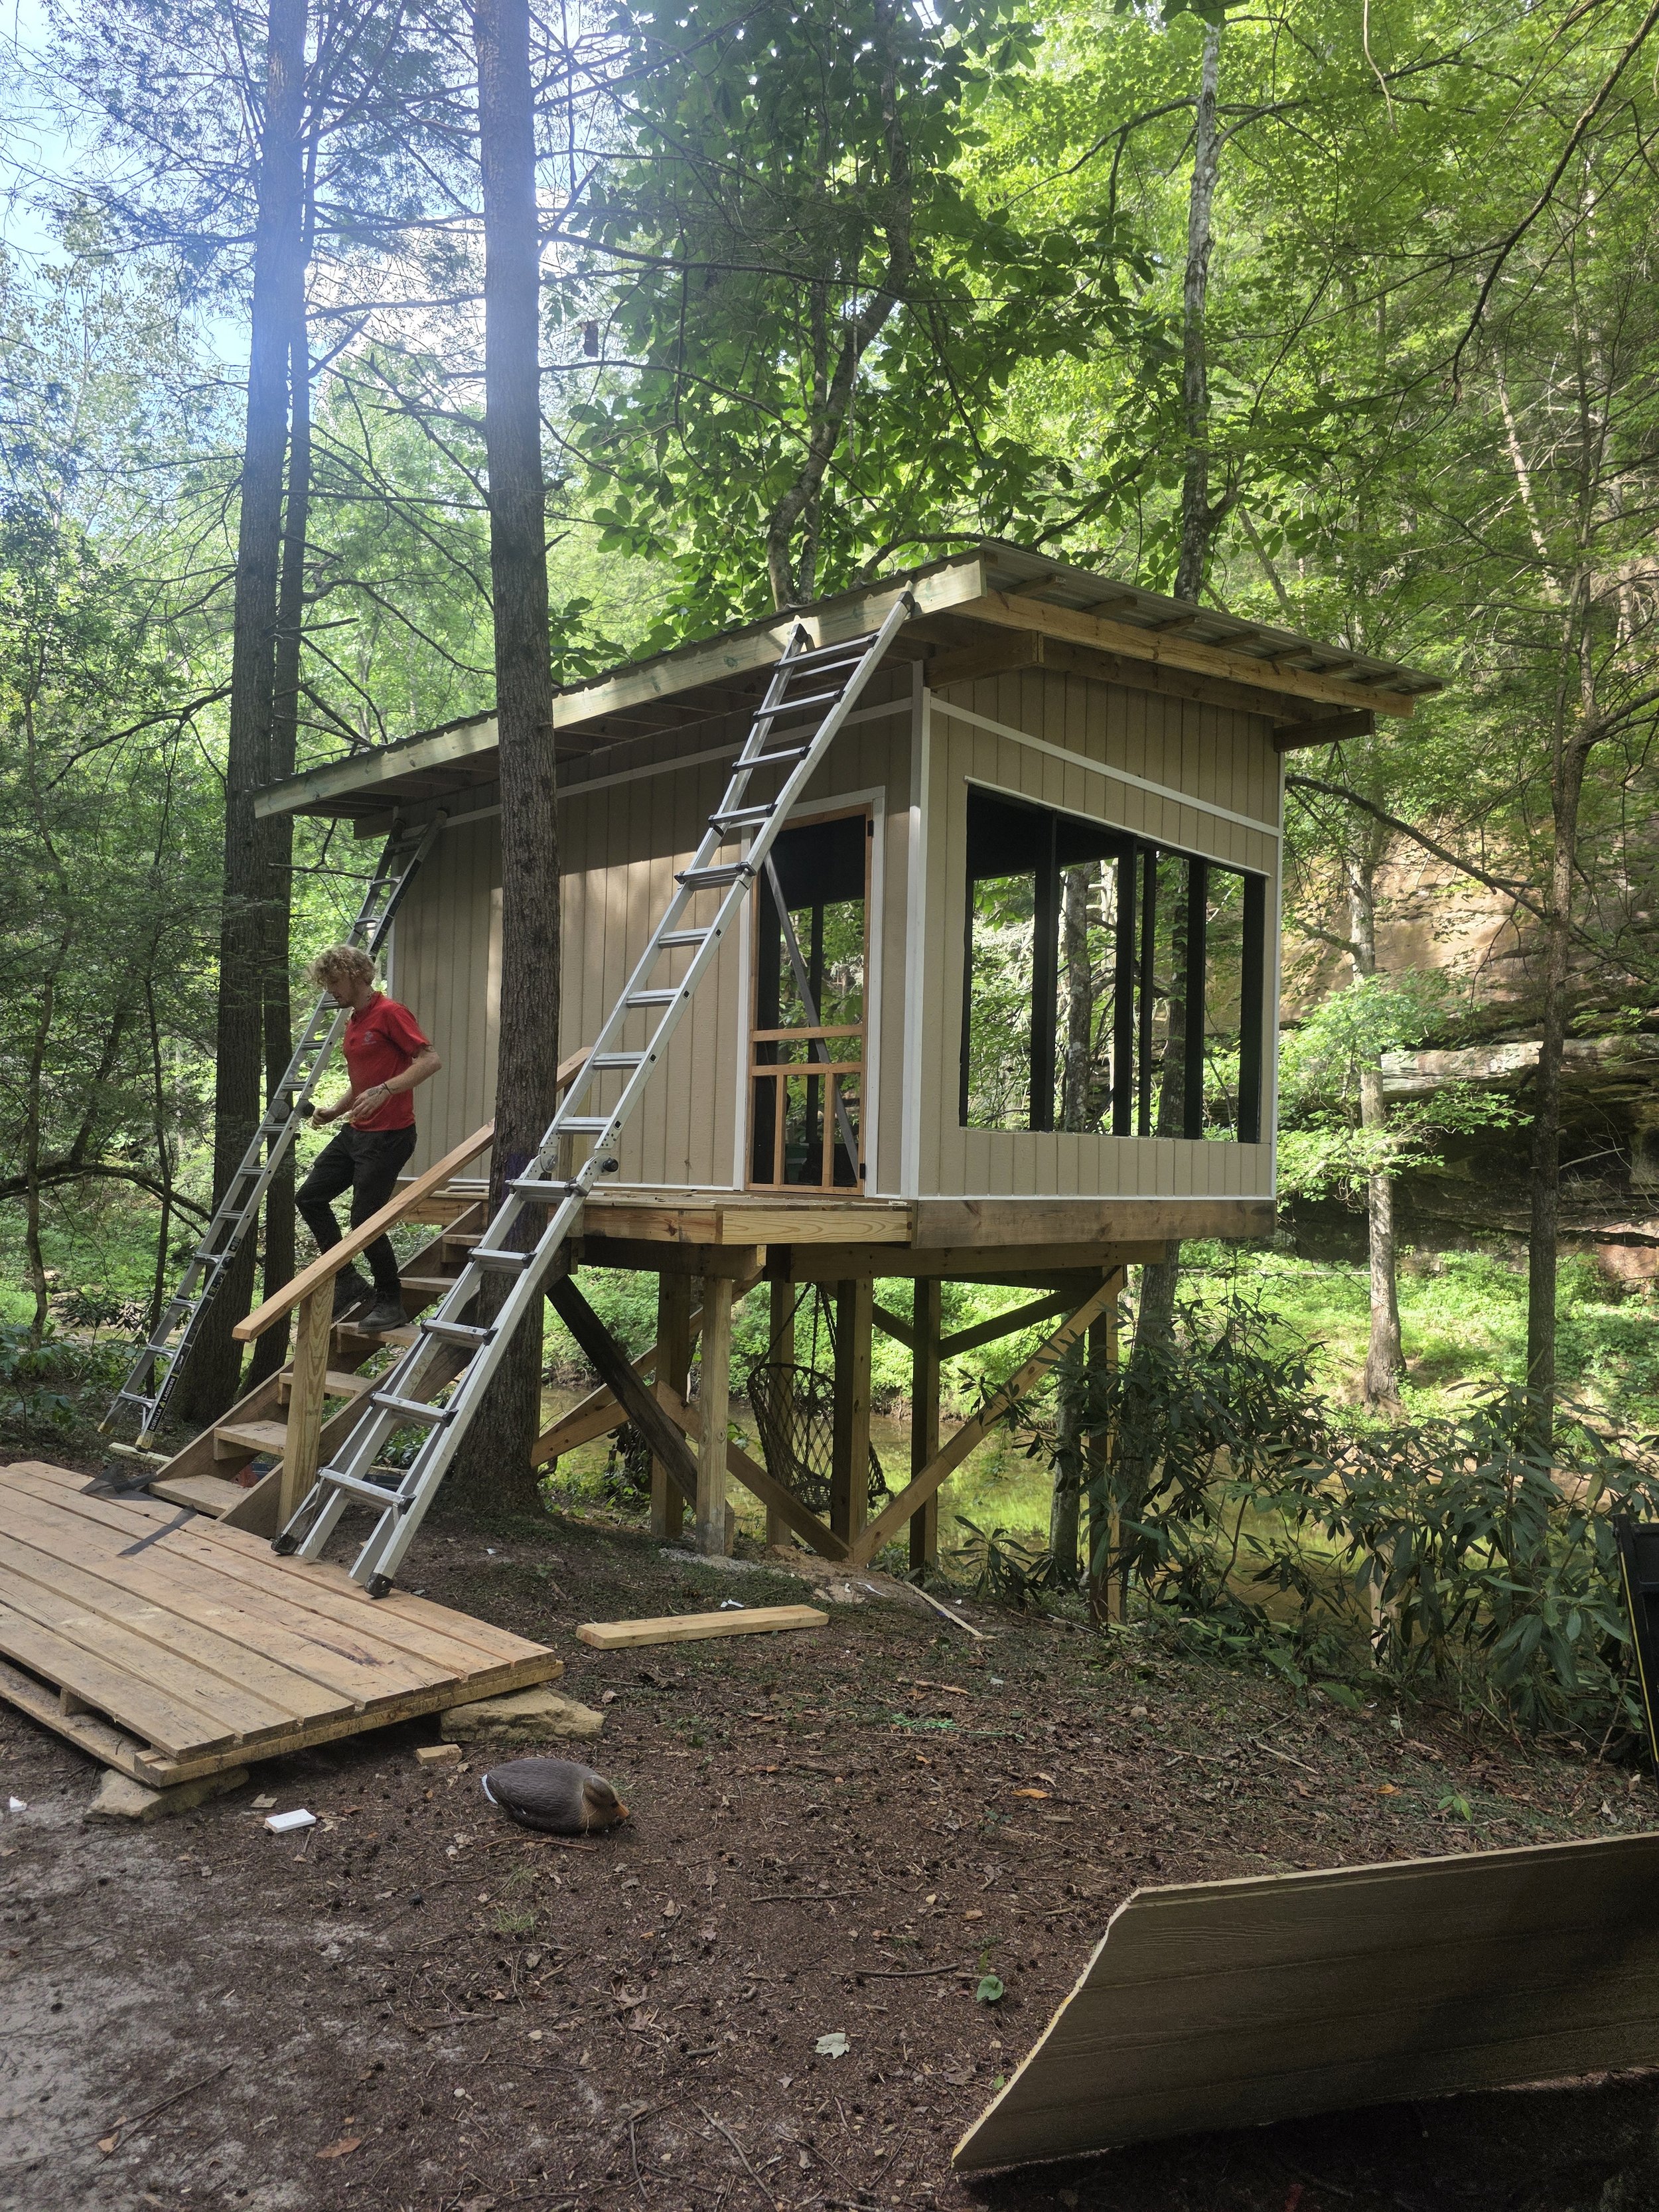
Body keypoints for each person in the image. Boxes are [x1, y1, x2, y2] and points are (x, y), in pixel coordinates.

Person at [297, 944, 443, 1335]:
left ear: (358, 975)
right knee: (309, 1197)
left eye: (334, 981)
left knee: (364, 1220)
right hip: (356, 1133)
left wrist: (386, 1090)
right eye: (325, 983)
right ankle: (348, 1281)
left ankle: (390, 1302)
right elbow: (362, 1084)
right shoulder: (354, 1021)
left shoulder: (390, 1013)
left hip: (390, 1136)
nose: (329, 990)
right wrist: (335, 1111)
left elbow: (430, 1061)